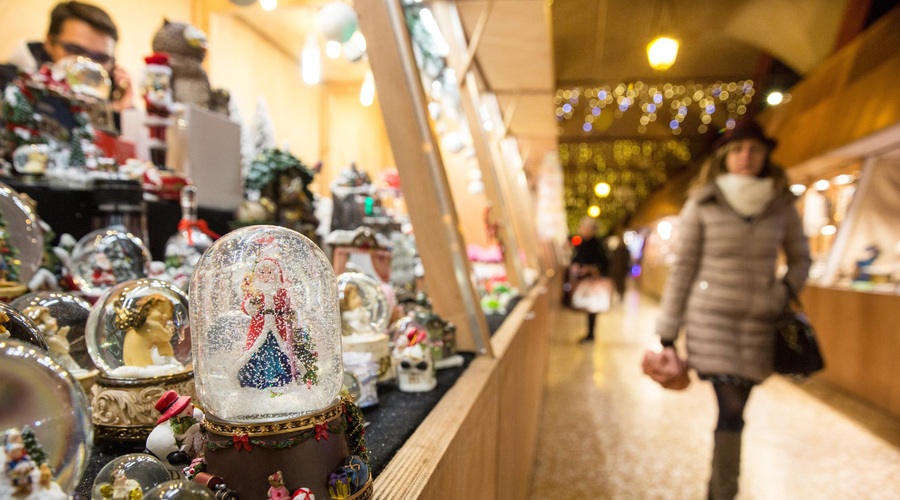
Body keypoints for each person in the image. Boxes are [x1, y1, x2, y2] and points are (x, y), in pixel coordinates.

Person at [654, 119, 811, 499]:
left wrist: (782, 292)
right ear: (725, 156)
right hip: (711, 319)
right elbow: (684, 269)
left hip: (761, 321)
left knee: (737, 409)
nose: (746, 157)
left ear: (766, 156)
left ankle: (720, 488)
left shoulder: (781, 205)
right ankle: (723, 492)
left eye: (754, 149)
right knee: (730, 405)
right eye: (739, 149)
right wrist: (668, 330)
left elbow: (801, 258)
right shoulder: (702, 203)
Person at [0, 1, 133, 113]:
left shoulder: (116, 101)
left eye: (101, 58)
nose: (87, 65)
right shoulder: (6, 82)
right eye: (75, 50)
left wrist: (118, 116)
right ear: (50, 43)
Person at [569, 216, 610, 342]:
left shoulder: (597, 244)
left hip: (593, 281)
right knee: (586, 307)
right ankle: (589, 333)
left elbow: (604, 262)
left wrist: (590, 269)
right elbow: (576, 258)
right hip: (583, 280)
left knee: (592, 308)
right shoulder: (582, 243)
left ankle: (591, 334)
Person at [607, 235, 632, 303]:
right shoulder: (616, 251)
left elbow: (628, 261)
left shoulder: (625, 251)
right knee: (616, 283)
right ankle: (614, 295)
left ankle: (621, 294)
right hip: (616, 270)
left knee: (621, 284)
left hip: (621, 270)